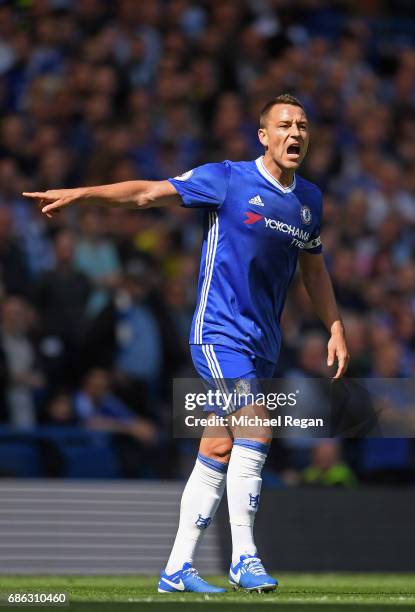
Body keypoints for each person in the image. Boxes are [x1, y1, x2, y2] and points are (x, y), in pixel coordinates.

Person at [23, 94, 349, 593]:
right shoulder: (227, 179)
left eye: (302, 125)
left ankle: (177, 567)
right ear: (263, 136)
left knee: (218, 446)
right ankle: (245, 557)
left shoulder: (309, 200)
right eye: (284, 124)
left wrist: (334, 325)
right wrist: (84, 193)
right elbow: (148, 194)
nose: (295, 133)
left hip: (262, 341)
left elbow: (313, 267)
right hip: (218, 334)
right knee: (256, 431)